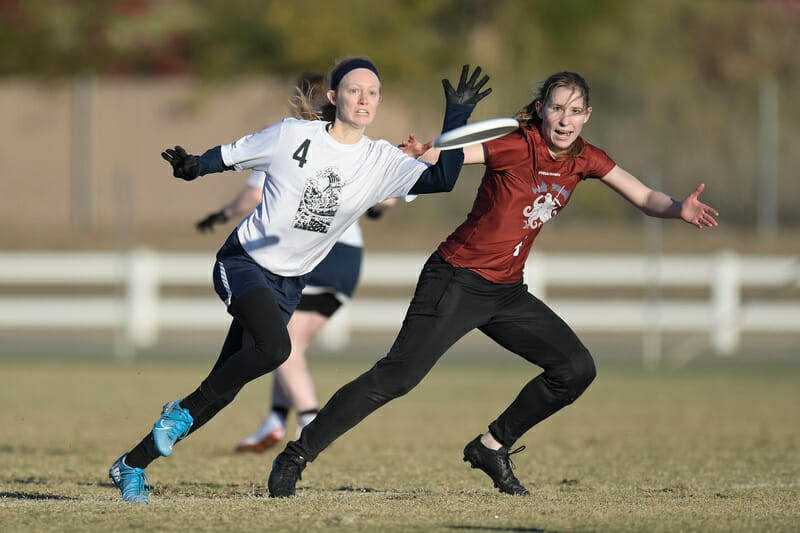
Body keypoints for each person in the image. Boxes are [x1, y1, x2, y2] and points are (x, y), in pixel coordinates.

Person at [267, 70, 719, 498]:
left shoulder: (586, 158)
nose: (566, 119)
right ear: (541, 109)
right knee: (397, 377)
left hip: (506, 291)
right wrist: (425, 148)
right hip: (455, 279)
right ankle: (295, 456)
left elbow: (643, 196)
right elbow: (451, 157)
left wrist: (678, 207)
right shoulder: (514, 145)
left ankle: (491, 446)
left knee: (575, 369)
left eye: (575, 111)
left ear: (587, 116)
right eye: (557, 108)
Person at [107, 59, 492, 502]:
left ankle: (130, 465)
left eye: (373, 92)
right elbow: (231, 155)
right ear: (334, 97)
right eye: (354, 90)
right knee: (275, 349)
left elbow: (442, 180)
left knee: (225, 389)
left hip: (291, 282)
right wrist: (194, 166)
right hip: (244, 262)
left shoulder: (382, 160)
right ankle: (177, 414)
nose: (364, 99)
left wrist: (457, 116)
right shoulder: (293, 135)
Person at [194, 73, 395, 453]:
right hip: (346, 265)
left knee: (282, 344)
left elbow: (251, 198)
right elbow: (384, 203)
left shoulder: (291, 140)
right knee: (282, 340)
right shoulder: (355, 151)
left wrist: (220, 215)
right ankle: (275, 416)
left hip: (311, 261)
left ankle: (308, 421)